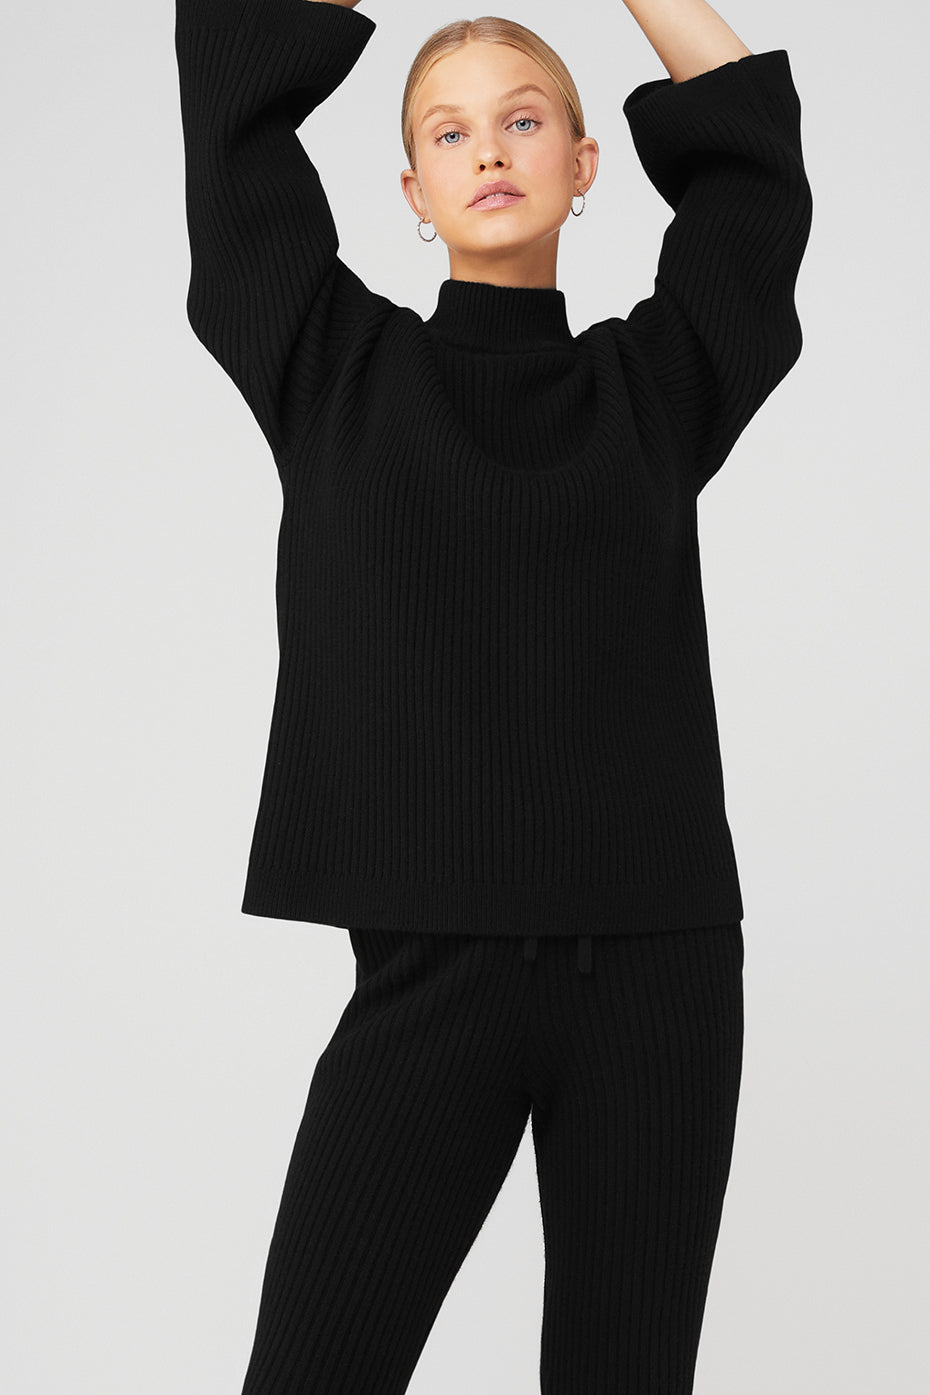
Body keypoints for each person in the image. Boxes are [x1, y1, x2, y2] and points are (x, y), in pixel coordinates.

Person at [174, 1, 813, 1390]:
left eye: (523, 120)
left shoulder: (656, 390)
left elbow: (755, 180)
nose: (489, 151)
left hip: (656, 975)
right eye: (449, 132)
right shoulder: (328, 369)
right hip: (430, 971)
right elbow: (231, 110)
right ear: (412, 190)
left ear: (583, 164)